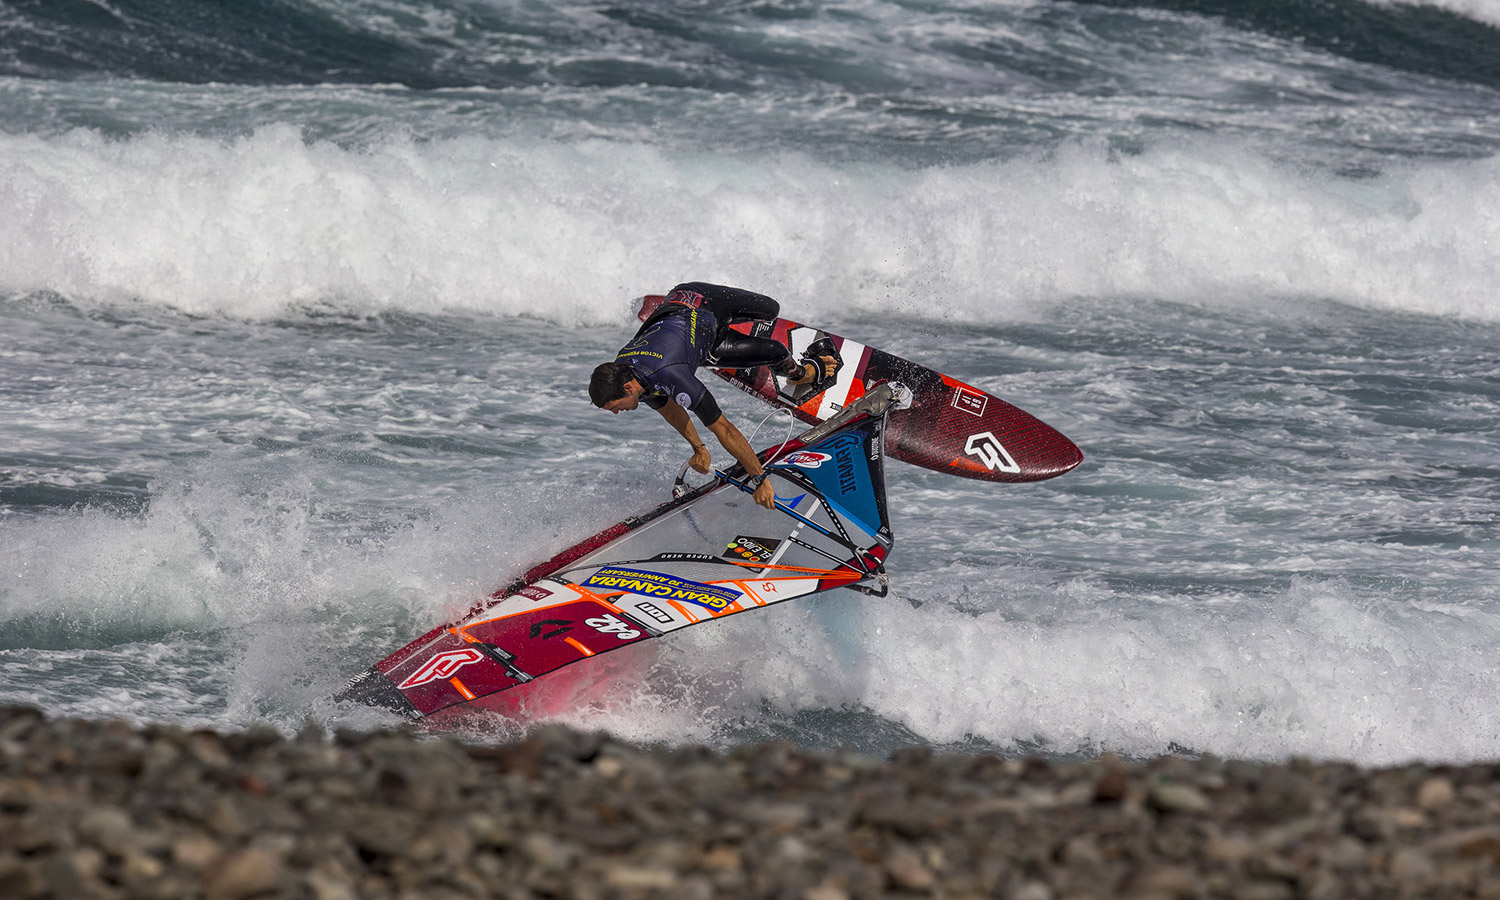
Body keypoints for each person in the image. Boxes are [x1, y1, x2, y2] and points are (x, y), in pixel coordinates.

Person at [590, 282, 839, 510]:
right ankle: (718, 345)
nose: (615, 412)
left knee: (771, 312)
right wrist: (699, 448)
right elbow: (668, 408)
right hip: (698, 333)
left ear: (627, 389)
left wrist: (759, 478)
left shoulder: (669, 375)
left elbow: (724, 429)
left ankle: (802, 373)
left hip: (697, 297)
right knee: (773, 350)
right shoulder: (629, 374)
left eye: (614, 406)